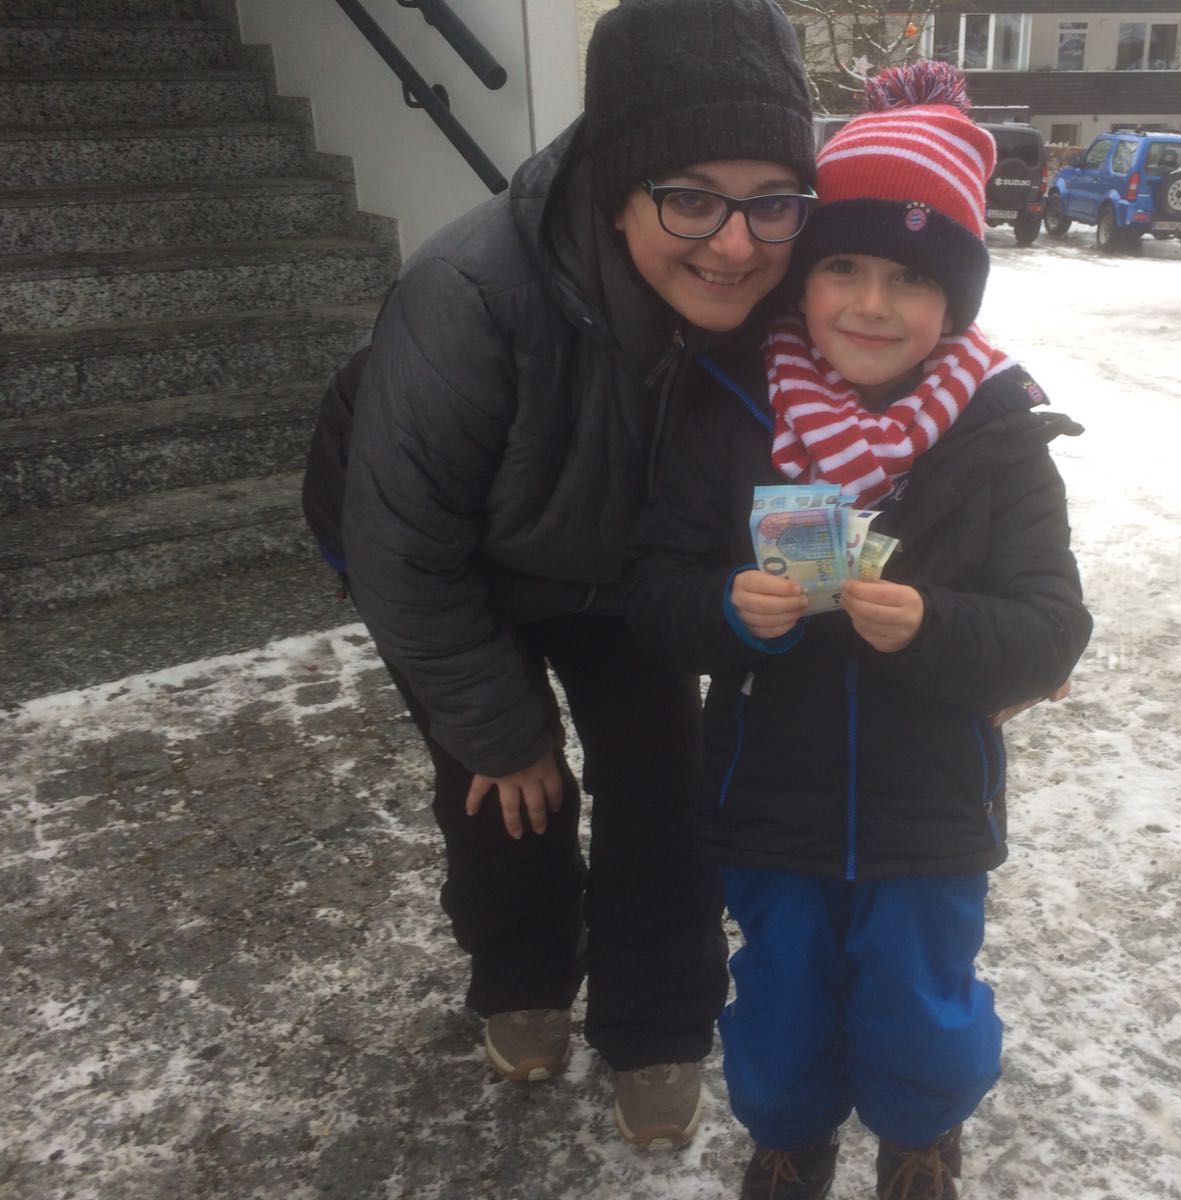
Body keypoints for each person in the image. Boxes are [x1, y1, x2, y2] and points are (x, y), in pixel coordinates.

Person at [299, 0, 816, 1150]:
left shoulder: (785, 285)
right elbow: (403, 550)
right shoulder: (470, 294)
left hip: (627, 568)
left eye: (772, 200)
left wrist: (985, 580)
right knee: (506, 779)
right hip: (450, 562)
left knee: (663, 779)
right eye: (691, 198)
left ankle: (658, 1019)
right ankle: (522, 970)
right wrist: (499, 729)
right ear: (616, 188)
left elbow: (911, 385)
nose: (737, 244)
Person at [624, 62, 1094, 1199]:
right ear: (804, 276)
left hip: (930, 806)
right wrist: (728, 608)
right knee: (780, 993)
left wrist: (935, 625)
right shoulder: (730, 411)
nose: (872, 306)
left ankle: (921, 1132)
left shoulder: (1000, 440)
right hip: (766, 800)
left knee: (921, 997)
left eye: (911, 279)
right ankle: (788, 1137)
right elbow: (654, 589)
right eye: (842, 266)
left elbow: (1050, 627)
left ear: (955, 304)